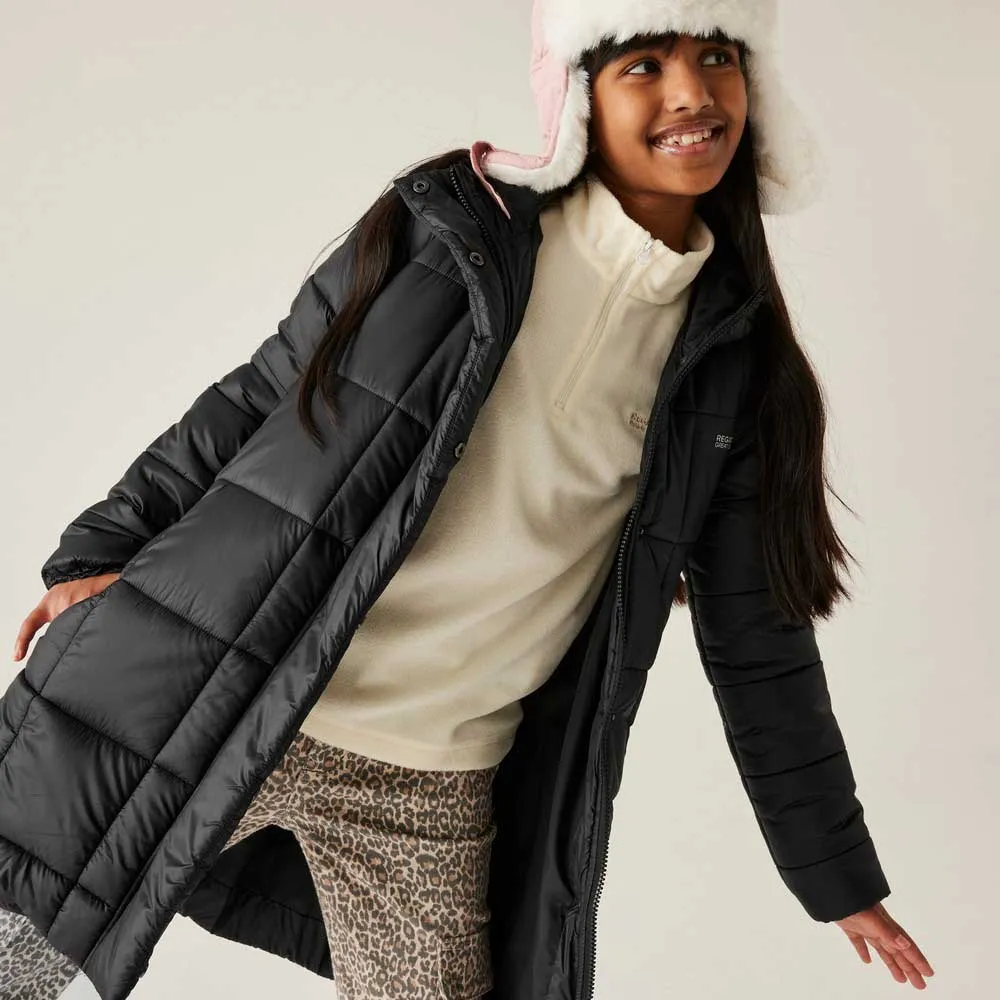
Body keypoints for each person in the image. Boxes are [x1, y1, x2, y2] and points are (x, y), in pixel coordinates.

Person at [2, 1, 935, 998]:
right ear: (578, 93)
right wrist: (101, 549)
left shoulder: (736, 370)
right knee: (18, 958)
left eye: (717, 56)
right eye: (643, 65)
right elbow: (262, 394)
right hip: (234, 688)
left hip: (432, 783)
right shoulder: (454, 231)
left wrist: (835, 875)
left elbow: (760, 643)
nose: (690, 94)